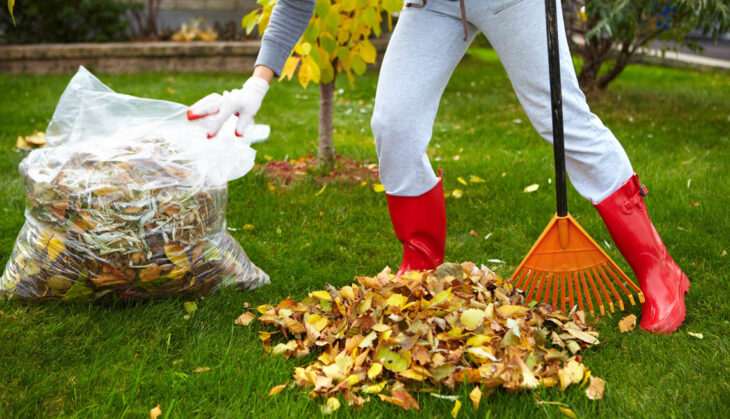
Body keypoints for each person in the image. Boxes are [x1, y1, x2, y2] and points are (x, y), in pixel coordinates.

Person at [187, 0, 688, 334]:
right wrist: (255, 86)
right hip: (434, 5)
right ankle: (422, 264)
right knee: (394, 124)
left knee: (562, 120)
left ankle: (658, 268)